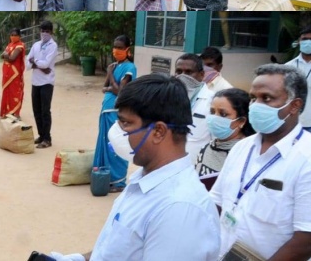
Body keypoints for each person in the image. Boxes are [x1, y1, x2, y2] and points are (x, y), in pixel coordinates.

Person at [50, 74, 220, 261]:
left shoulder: (179, 209)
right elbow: (119, 250)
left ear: (158, 132)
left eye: (126, 123)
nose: (118, 131)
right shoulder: (144, 180)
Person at [210, 64, 311, 260]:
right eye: (253, 98)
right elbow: (216, 201)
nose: (255, 105)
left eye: (267, 98)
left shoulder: (306, 159)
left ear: (295, 105)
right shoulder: (242, 147)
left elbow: (306, 239)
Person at [92, 35, 137, 192]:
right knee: (104, 142)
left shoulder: (130, 68)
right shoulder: (115, 65)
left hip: (117, 111)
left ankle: (118, 181)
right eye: (115, 47)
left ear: (127, 50)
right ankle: (104, 176)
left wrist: (110, 74)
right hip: (106, 110)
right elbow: (104, 87)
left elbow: (119, 91)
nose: (116, 50)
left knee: (115, 144)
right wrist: (111, 80)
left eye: (119, 47)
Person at [195, 88, 254, 189]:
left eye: (223, 114)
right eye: (212, 112)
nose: (214, 118)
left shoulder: (246, 154)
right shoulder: (206, 148)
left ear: (241, 121)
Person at [175, 53, 214, 161]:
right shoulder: (168, 98)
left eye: (188, 72)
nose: (182, 76)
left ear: (202, 75)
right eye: (178, 71)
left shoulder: (212, 101)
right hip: (171, 165)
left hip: (197, 167)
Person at [26, 21, 58, 149]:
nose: (44, 33)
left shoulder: (53, 46)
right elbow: (27, 64)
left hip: (47, 82)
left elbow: (46, 64)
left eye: (47, 31)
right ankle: (41, 135)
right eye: (43, 30)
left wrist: (35, 62)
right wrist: (38, 64)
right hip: (36, 81)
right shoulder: (36, 45)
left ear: (51, 32)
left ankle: (47, 138)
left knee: (45, 111)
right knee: (36, 110)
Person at [285, 25, 311, 131]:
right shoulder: (287, 67)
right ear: (299, 41)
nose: (308, 42)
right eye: (305, 39)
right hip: (292, 123)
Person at [0, 28, 26, 118]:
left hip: (15, 73)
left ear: (19, 36)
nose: (13, 37)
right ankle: (6, 112)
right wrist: (7, 56)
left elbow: (12, 58)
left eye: (15, 35)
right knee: (7, 92)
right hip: (7, 72)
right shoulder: (10, 44)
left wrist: (6, 56)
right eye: (12, 35)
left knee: (15, 92)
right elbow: (2, 56)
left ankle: (15, 113)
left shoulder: (20, 45)